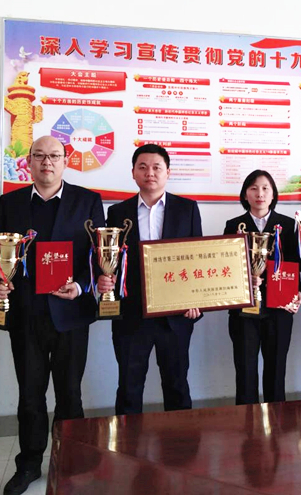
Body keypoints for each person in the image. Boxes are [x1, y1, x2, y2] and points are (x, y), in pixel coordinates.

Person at [0, 135, 104, 495]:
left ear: (65, 161)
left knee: (70, 393)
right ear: (28, 162)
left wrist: (82, 286)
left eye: (54, 156)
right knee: (30, 395)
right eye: (39, 156)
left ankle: (71, 461)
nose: (47, 162)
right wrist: (0, 284)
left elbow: (98, 256)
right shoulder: (10, 202)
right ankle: (28, 465)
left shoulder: (88, 200)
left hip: (71, 313)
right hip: (26, 315)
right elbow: (3, 257)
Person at [97, 144, 202, 415]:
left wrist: (197, 300)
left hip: (176, 314)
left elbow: (198, 257)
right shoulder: (117, 212)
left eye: (157, 167)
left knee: (177, 386)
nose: (150, 173)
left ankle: (180, 442)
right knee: (129, 387)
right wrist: (104, 280)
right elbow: (110, 259)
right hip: (132, 314)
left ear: (168, 172)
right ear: (133, 172)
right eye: (142, 167)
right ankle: (127, 441)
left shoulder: (187, 209)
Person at [223, 170, 301, 405]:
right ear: (245, 194)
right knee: (245, 371)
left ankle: (276, 421)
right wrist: (246, 280)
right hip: (244, 312)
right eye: (254, 188)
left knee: (276, 371)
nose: (260, 193)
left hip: (279, 310)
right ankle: (247, 422)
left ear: (273, 194)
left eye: (266, 188)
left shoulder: (287, 225)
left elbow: (293, 265)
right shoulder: (233, 226)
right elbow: (225, 268)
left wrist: (296, 293)